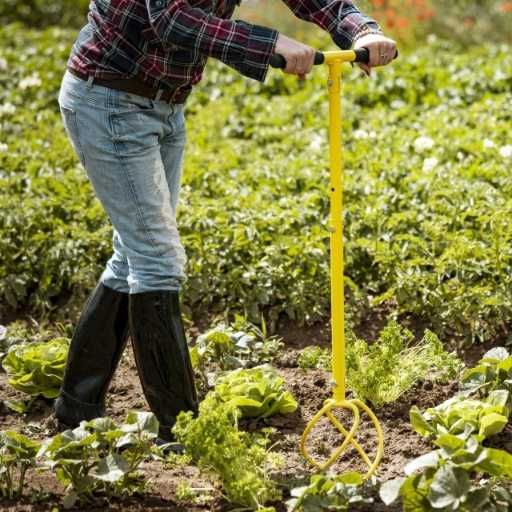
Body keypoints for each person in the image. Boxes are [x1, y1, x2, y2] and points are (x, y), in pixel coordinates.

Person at [55, 0, 396, 446]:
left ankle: (76, 407)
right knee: (157, 261)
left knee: (133, 257)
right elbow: (172, 18)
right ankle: (183, 431)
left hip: (164, 105)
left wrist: (359, 30)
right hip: (110, 98)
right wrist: (269, 43)